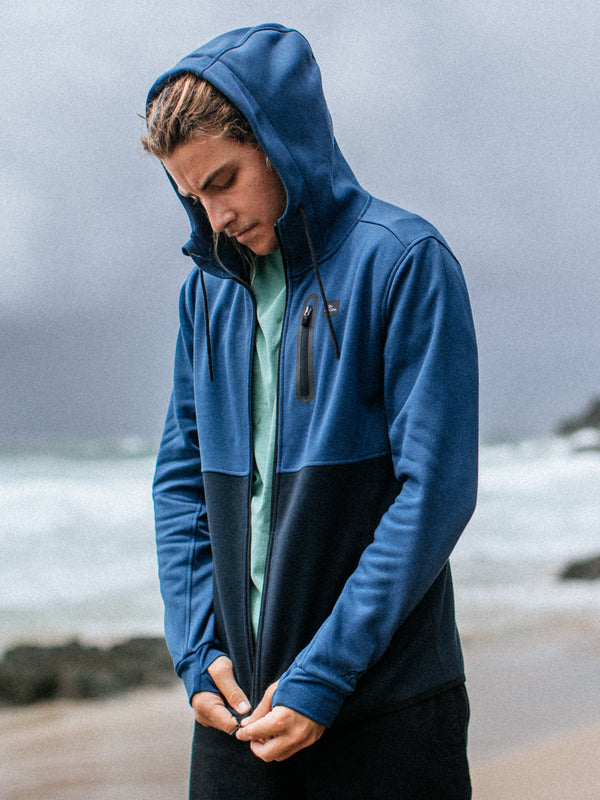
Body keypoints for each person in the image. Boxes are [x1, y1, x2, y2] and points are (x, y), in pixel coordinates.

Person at [143, 23, 478, 799]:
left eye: (224, 180)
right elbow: (182, 484)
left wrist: (322, 676)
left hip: (389, 711)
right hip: (237, 719)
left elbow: (433, 492)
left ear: (281, 141)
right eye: (194, 195)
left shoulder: (404, 261)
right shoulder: (207, 293)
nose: (214, 216)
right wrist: (195, 654)